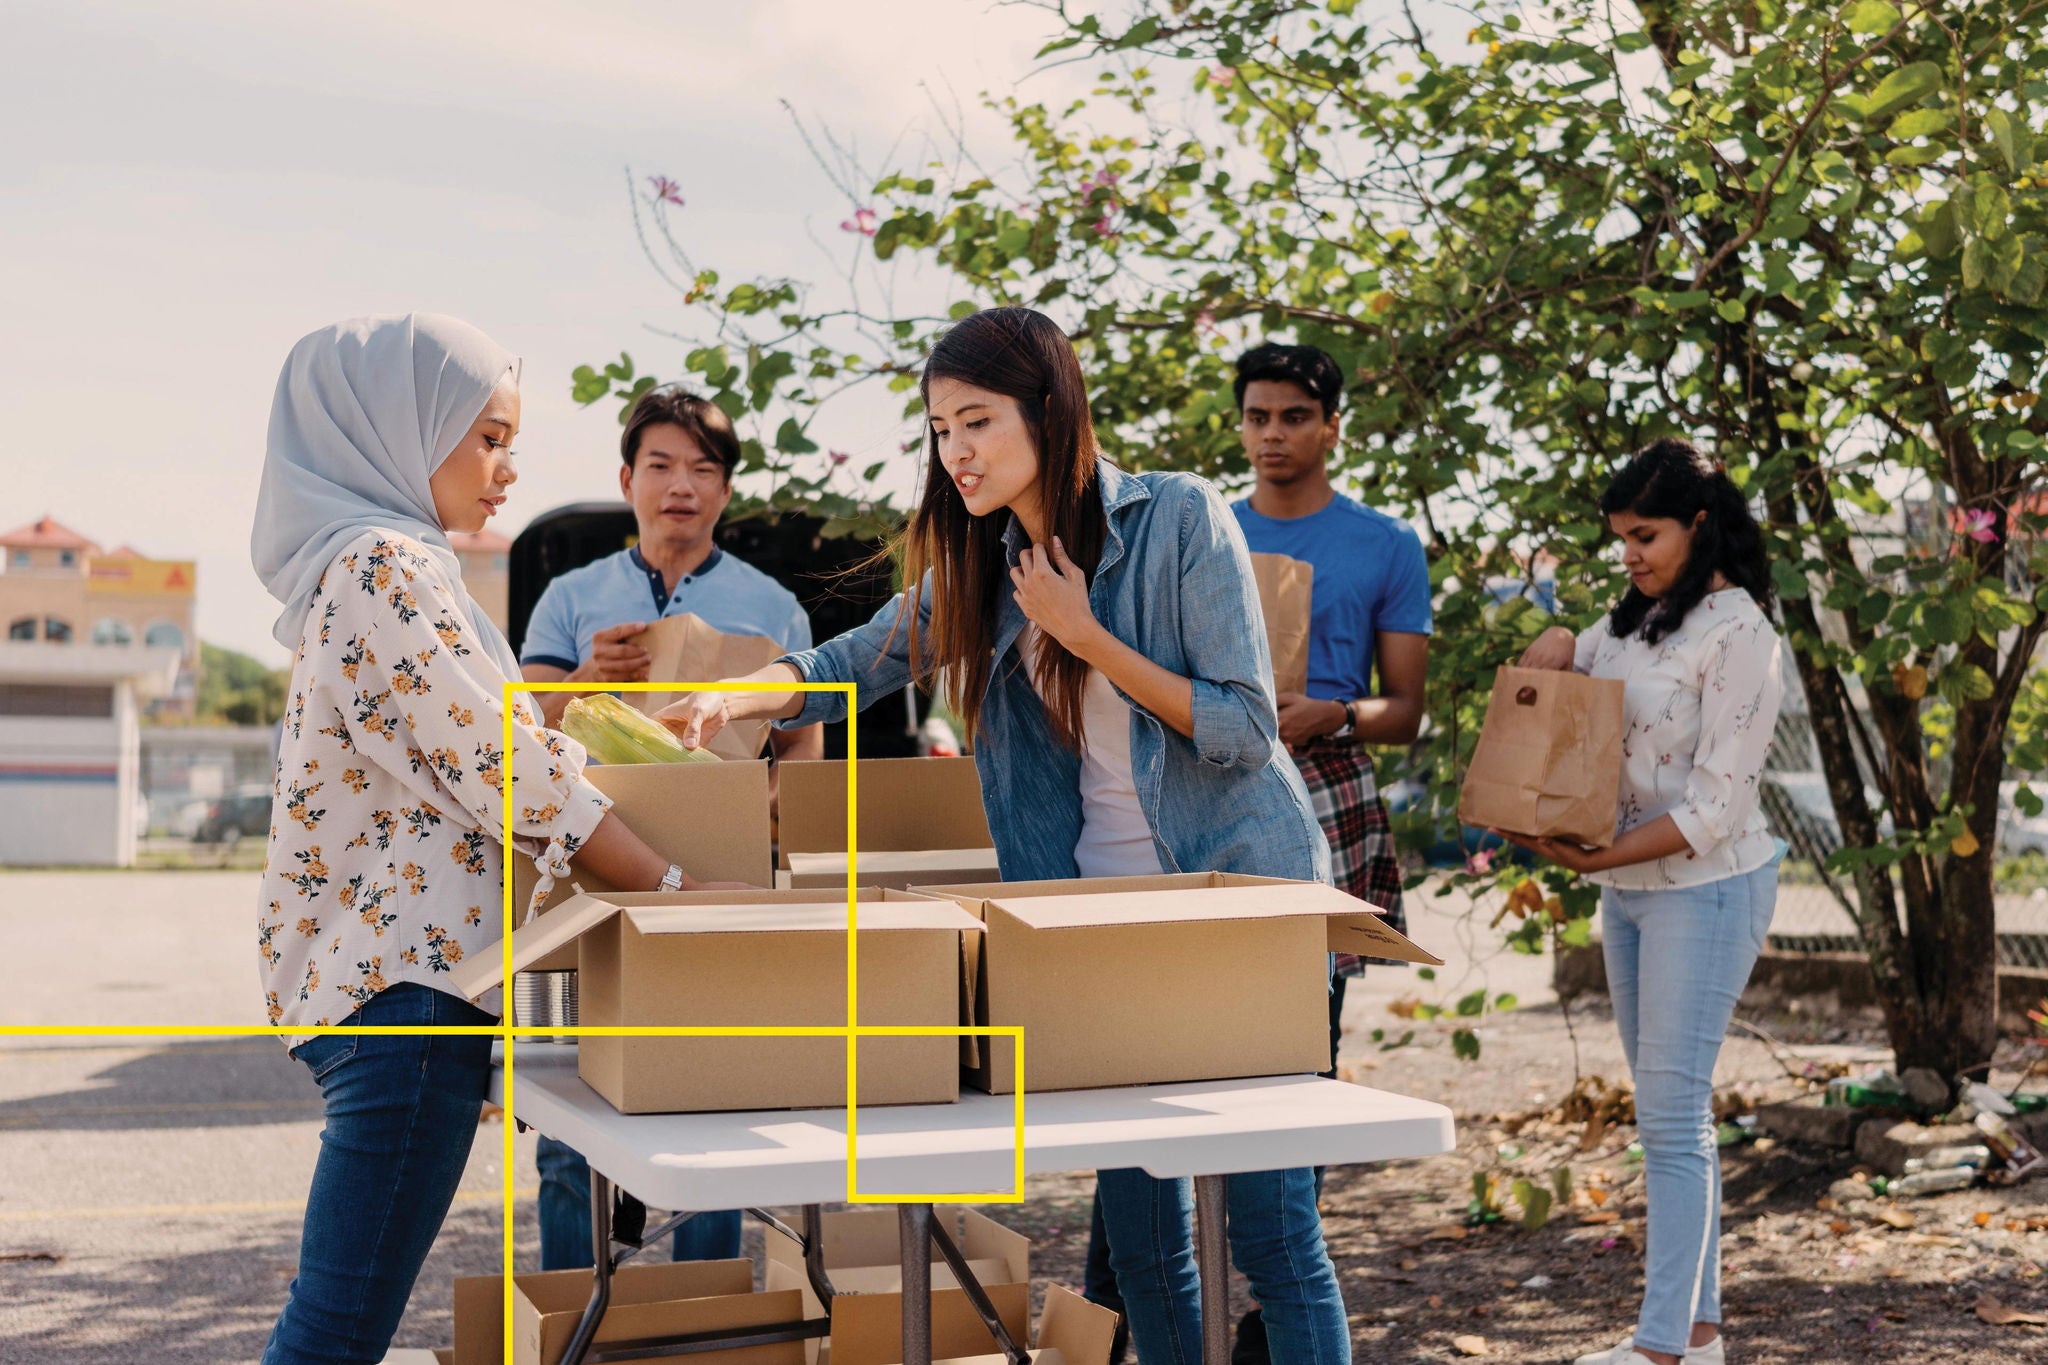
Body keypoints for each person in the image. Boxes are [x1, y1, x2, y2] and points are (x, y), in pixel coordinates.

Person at [659, 306, 1352, 1365]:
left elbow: (1243, 731)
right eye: (939, 429)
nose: (957, 451)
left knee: (1269, 1226)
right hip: (1086, 923)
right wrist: (738, 696)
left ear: (1050, 409)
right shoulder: (984, 563)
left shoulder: (1178, 517)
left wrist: (1086, 637)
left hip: (1229, 904)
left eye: (975, 420)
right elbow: (860, 658)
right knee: (1137, 1236)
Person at [250, 313, 735, 1365]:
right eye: (486, 438)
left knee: (337, 1315)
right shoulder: (384, 569)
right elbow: (505, 775)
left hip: (392, 990)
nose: (508, 468)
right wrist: (667, 886)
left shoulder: (370, 567)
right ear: (391, 427)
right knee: (336, 1327)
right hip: (409, 999)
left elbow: (465, 742)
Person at [517, 384, 821, 1271]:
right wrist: (581, 673)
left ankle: (707, 1311)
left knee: (710, 1106)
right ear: (627, 478)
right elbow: (518, 728)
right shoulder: (572, 596)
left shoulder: (773, 607)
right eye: (660, 465)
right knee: (568, 1110)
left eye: (702, 468)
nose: (679, 484)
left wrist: (772, 807)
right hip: (585, 878)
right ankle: (578, 1310)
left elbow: (806, 739)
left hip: (715, 878)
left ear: (726, 491)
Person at [1507, 438, 1784, 1365]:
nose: (1628, 552)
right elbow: (1567, 692)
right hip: (1627, 890)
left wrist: (1600, 859)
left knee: (1670, 1120)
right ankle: (1697, 1336)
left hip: (1705, 891)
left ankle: (1661, 1347)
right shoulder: (1631, 622)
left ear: (1700, 526)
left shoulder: (1740, 634)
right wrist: (1549, 642)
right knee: (1669, 1111)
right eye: (1619, 536)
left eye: (1646, 534)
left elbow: (1715, 808)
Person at [1221, 340, 1431, 1365]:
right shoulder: (1206, 529)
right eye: (1256, 416)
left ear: (1330, 424)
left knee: (1306, 1048)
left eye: (1293, 416)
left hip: (1328, 792)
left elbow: (1407, 713)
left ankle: (1273, 1298)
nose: (1272, 435)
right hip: (1211, 797)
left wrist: (1335, 710)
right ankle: (1149, 1304)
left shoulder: (1383, 544)